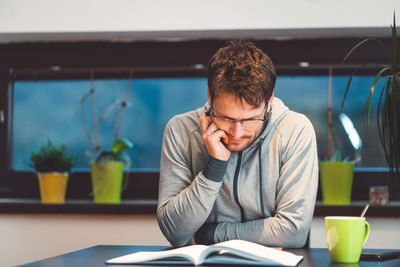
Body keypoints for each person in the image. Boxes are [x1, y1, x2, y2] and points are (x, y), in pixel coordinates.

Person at [157, 40, 318, 248]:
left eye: (249, 120)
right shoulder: (180, 130)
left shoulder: (295, 130)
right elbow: (174, 232)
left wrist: (211, 234)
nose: (237, 132)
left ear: (269, 102)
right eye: (225, 118)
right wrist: (215, 166)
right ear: (210, 97)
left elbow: (293, 232)